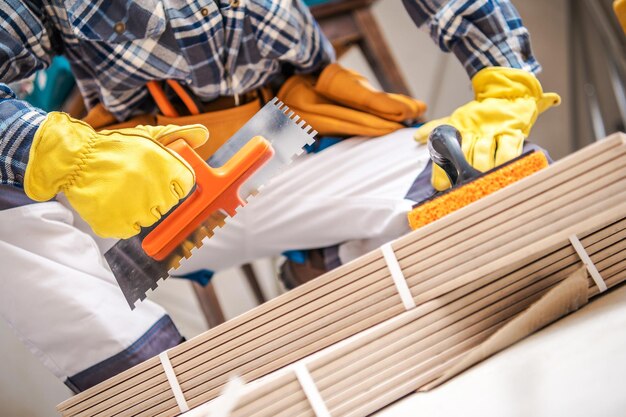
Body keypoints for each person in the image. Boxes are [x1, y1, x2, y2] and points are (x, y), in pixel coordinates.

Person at [0, 0, 559, 392]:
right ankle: (154, 389)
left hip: (293, 143)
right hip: (142, 182)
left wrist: (505, 75)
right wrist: (64, 153)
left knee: (501, 181)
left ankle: (332, 267)